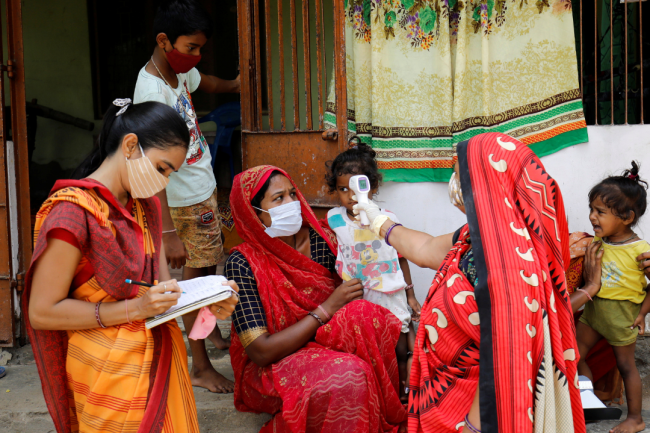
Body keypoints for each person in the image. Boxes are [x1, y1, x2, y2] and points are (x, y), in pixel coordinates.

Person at [23, 100, 239, 433]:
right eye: (162, 168)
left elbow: (163, 292)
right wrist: (136, 308)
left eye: (171, 174)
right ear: (130, 145)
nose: (164, 182)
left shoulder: (146, 207)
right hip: (103, 372)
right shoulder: (71, 213)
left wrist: (209, 301)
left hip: (160, 355)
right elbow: (41, 312)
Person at [354, 132, 587, 433]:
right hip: (440, 396)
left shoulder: (513, 267)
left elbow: (505, 361)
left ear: (487, 182)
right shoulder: (473, 238)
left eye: (459, 172)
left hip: (471, 414)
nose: (454, 181)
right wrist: (377, 220)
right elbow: (424, 249)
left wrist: (472, 427)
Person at [225, 165, 407, 433]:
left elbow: (384, 261)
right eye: (279, 199)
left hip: (324, 338)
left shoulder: (320, 240)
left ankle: (382, 412)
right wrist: (327, 307)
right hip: (276, 362)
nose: (292, 204)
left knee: (367, 314)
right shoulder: (241, 263)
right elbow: (261, 352)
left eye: (292, 194)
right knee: (350, 374)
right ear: (254, 214)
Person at [133, 0, 241, 393]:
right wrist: (166, 233)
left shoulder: (179, 74)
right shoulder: (151, 90)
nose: (195, 57)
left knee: (211, 270)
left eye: (200, 49)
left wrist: (233, 85)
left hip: (200, 189)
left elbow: (205, 81)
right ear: (164, 41)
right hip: (181, 203)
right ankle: (200, 365)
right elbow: (147, 164)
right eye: (190, 48)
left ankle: (206, 331)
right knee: (197, 280)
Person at [324, 144, 421, 402]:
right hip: (360, 297)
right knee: (371, 350)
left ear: (373, 188)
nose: (351, 196)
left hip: (391, 293)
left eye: (357, 189)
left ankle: (402, 396)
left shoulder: (386, 218)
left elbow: (401, 258)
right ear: (335, 189)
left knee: (400, 349)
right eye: (343, 189)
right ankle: (377, 394)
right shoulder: (334, 220)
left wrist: (410, 296)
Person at [576, 162, 650, 433]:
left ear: (627, 217)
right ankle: (585, 399)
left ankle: (635, 418)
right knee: (572, 353)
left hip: (621, 316)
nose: (593, 217)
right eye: (592, 210)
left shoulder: (640, 250)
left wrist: (642, 314)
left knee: (627, 366)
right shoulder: (597, 244)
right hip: (593, 312)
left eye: (600, 212)